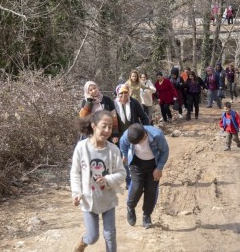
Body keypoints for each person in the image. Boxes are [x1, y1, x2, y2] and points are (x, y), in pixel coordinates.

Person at [70, 110, 126, 252]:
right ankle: (83, 241)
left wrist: (107, 179)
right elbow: (75, 172)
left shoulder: (113, 150)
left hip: (108, 199)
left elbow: (122, 173)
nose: (107, 131)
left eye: (110, 127)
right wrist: (76, 192)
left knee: (110, 235)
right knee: (93, 237)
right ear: (94, 125)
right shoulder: (81, 147)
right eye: (104, 126)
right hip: (88, 200)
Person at [119, 123, 169, 229]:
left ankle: (147, 216)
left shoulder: (157, 135)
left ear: (145, 136)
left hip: (153, 164)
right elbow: (123, 144)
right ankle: (130, 207)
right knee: (137, 187)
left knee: (151, 190)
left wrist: (159, 168)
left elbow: (165, 151)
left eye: (138, 142)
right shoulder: (128, 134)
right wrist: (124, 154)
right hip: (136, 163)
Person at [114, 84, 150, 189]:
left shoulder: (134, 103)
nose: (124, 95)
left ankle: (139, 179)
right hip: (121, 137)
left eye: (126, 92)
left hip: (135, 135)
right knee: (125, 159)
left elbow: (144, 117)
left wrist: (146, 130)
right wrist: (113, 135)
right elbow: (111, 121)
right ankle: (129, 181)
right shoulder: (114, 105)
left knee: (137, 157)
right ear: (117, 94)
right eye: (121, 93)